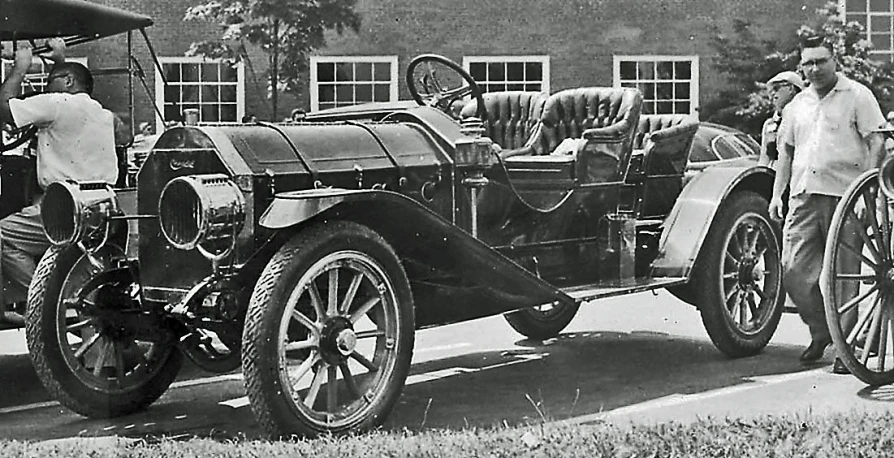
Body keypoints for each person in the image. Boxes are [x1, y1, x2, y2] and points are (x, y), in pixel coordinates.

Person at [769, 36, 887, 374]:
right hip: (804, 194)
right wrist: (778, 195)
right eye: (808, 63)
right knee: (792, 269)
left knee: (842, 274)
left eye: (821, 61)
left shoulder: (857, 96)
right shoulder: (797, 105)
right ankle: (822, 331)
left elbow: (876, 139)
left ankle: (843, 348)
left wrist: (866, 190)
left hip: (845, 195)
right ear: (801, 67)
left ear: (835, 61)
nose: (815, 69)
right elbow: (786, 152)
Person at [0, 42, 118, 324]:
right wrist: (60, 61)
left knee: (3, 235)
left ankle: (46, 304)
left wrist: (20, 68)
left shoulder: (56, 104)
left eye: (51, 81)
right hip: (101, 205)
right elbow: (66, 94)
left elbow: (4, 110)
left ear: (67, 82)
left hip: (67, 208)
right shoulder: (101, 113)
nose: (46, 89)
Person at [759, 71, 805, 167]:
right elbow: (764, 160)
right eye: (770, 91)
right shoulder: (769, 125)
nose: (772, 95)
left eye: (776, 88)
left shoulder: (806, 119)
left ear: (791, 89)